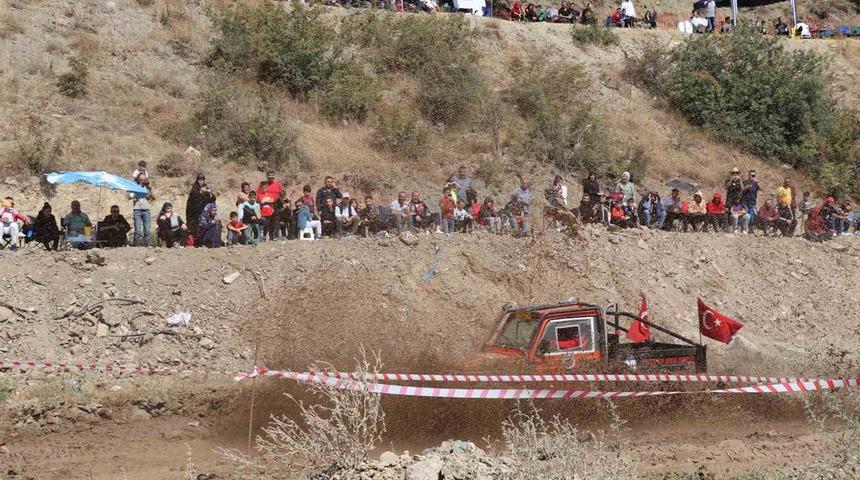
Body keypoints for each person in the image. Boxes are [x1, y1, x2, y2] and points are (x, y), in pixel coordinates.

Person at [185, 173, 214, 242]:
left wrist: (210, 194)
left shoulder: (205, 187)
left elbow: (212, 199)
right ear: (197, 180)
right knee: (194, 228)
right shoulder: (195, 188)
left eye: (202, 180)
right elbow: (193, 199)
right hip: (193, 213)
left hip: (203, 212)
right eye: (199, 180)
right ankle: (193, 242)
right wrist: (200, 192)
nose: (201, 181)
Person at [130, 174, 154, 247]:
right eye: (141, 179)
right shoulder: (135, 187)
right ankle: (137, 246)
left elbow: (153, 198)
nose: (143, 181)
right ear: (138, 180)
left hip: (146, 210)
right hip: (137, 210)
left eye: (144, 180)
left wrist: (150, 190)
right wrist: (134, 190)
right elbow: (129, 197)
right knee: (138, 230)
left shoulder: (147, 188)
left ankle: (146, 246)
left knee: (147, 230)